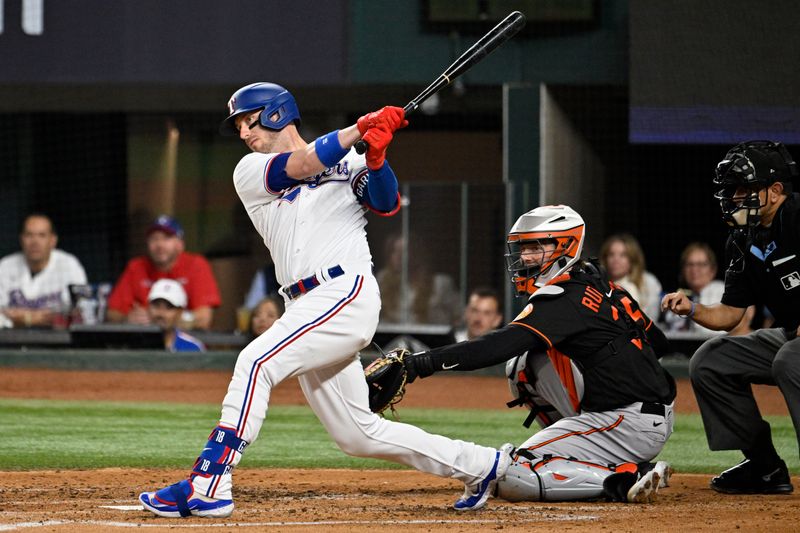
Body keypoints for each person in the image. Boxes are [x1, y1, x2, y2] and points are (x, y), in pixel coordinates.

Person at [139, 82, 509, 518]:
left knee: (256, 361)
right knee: (357, 434)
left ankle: (209, 482)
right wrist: (361, 127)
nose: (242, 131)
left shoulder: (350, 158)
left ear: (276, 114)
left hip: (344, 292)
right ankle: (484, 465)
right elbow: (304, 162)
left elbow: (386, 202)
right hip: (303, 305)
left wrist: (376, 156)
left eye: (247, 119)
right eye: (238, 123)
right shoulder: (250, 170)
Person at [400, 205, 676, 503]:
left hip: (626, 422)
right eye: (524, 248)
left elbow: (497, 345)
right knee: (525, 365)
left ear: (566, 246)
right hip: (645, 413)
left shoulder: (565, 298)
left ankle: (621, 478)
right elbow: (658, 343)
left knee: (511, 475)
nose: (525, 257)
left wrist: (419, 364)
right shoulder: (604, 285)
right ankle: (596, 450)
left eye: (536, 247)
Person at [662, 140, 800, 495]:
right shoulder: (742, 239)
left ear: (775, 191)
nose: (736, 197)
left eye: (745, 188)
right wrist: (692, 308)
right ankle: (764, 467)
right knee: (711, 359)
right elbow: (730, 314)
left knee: (790, 360)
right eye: (733, 189)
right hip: (791, 336)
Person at [106, 215, 221, 330]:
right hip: (145, 340)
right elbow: (111, 313)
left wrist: (165, 318)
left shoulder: (196, 264)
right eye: (154, 239)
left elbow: (204, 319)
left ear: (180, 244)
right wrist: (127, 318)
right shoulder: (136, 267)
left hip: (184, 342)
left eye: (166, 238)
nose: (159, 245)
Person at [0, 213, 87, 328]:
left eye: (42, 235)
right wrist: (35, 318)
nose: (35, 242)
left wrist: (20, 317)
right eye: (29, 235)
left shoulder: (70, 265)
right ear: (21, 239)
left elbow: (82, 310)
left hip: (57, 340)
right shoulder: (6, 265)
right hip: (12, 340)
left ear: (53, 240)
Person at [662, 242, 752, 336]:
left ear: (713, 270)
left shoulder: (722, 290)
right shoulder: (683, 295)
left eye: (701, 264)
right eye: (690, 264)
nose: (694, 269)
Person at [377, 233, 461, 325]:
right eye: (393, 251)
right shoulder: (383, 281)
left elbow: (460, 317)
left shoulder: (440, 284)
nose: (398, 256)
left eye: (404, 251)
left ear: (417, 253)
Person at [599, 233, 663, 320]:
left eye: (623, 255)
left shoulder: (648, 282)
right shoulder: (598, 284)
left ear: (632, 259)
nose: (616, 260)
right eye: (611, 254)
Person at [147, 279, 205, 352]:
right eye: (156, 306)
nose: (161, 313)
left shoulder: (192, 347)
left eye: (169, 307)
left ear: (180, 312)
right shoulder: (133, 344)